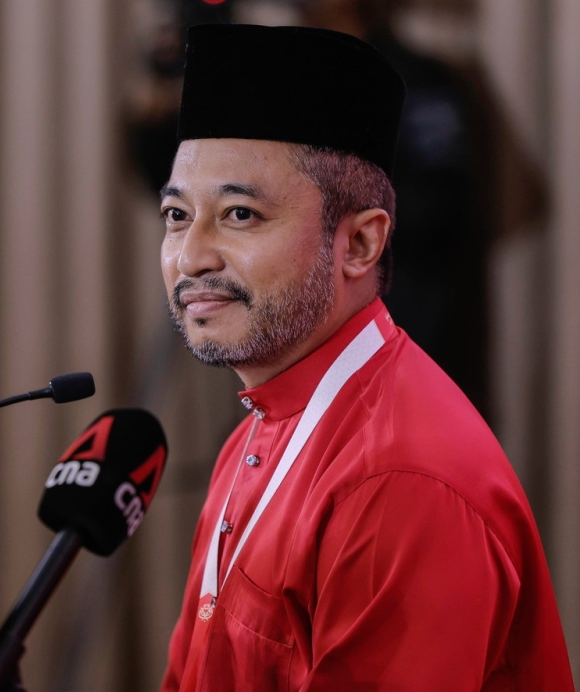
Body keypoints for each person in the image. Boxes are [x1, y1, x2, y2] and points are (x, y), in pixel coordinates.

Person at [159, 24, 572, 692]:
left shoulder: (400, 485)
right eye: (177, 216)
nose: (192, 256)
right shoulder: (255, 434)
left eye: (239, 215)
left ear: (359, 245)